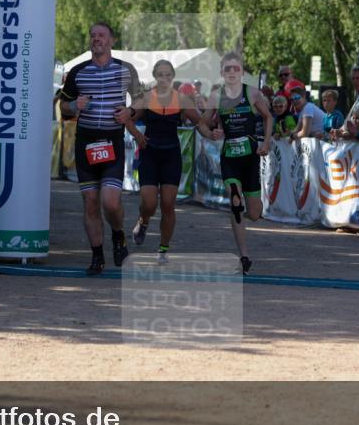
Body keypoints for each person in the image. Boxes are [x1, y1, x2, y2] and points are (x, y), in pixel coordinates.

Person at [58, 22, 143, 275]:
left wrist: (130, 112)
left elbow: (141, 99)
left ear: (112, 41)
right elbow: (62, 105)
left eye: (102, 35)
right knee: (91, 202)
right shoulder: (77, 72)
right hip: (86, 143)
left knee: (110, 201)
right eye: (93, 35)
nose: (97, 39)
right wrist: (74, 107)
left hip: (112, 141)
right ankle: (97, 256)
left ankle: (118, 235)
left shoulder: (126, 70)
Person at [117, 60, 205, 264]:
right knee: (149, 203)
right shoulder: (146, 98)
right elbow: (127, 118)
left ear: (172, 77)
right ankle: (143, 220)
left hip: (171, 155)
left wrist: (211, 132)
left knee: (168, 204)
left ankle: (163, 249)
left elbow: (199, 122)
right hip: (149, 154)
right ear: (156, 77)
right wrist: (138, 135)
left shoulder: (182, 100)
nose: (164, 79)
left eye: (168, 75)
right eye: (160, 75)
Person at [196, 51, 273, 275]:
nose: (231, 72)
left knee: (255, 213)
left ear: (241, 72)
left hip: (250, 158)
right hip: (229, 156)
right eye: (227, 69)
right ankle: (244, 255)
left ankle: (244, 210)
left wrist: (265, 142)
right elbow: (202, 123)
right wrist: (210, 133)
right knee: (236, 202)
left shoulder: (252, 93)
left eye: (235, 68)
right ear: (222, 72)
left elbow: (268, 117)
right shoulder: (216, 97)